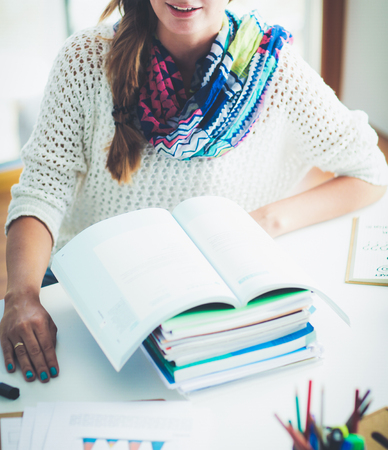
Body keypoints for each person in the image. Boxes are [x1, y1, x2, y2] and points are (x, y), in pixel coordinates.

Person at [1, 0, 387, 384]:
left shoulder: (275, 69)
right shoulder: (85, 59)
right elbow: (41, 190)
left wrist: (266, 221)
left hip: (205, 309)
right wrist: (20, 296)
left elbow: (370, 171)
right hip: (90, 298)